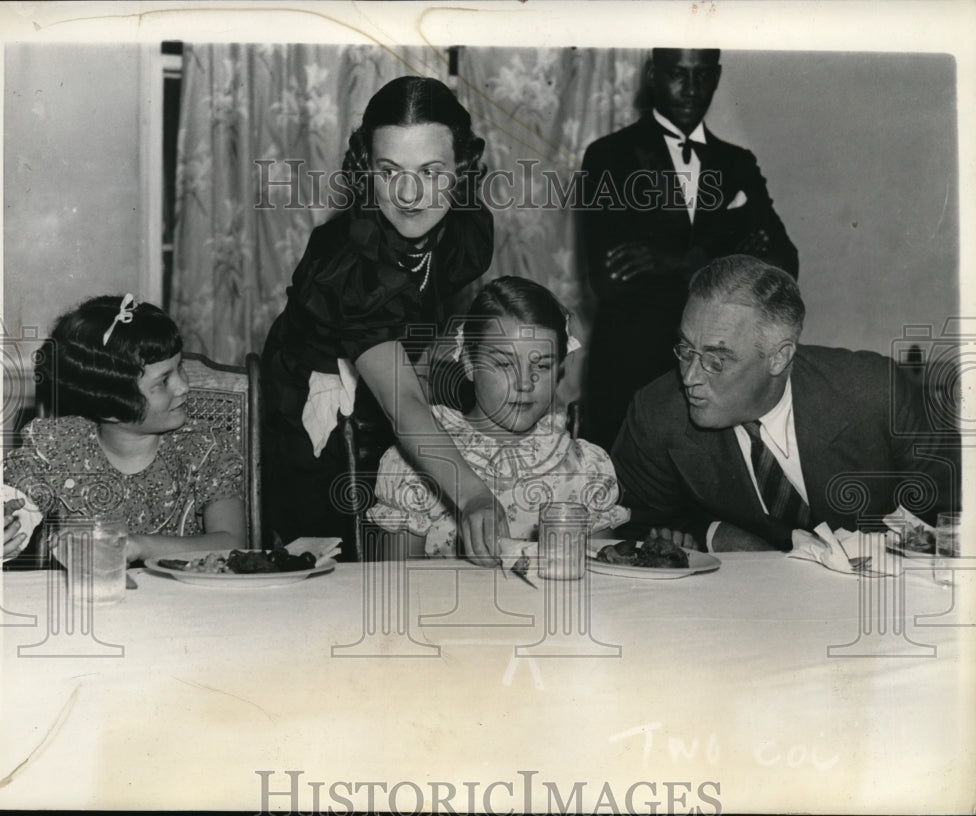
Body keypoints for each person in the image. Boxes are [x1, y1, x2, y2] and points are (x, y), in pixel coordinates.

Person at [260, 76, 506, 564]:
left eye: (432, 171)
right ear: (366, 170)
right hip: (316, 429)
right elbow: (403, 404)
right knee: (342, 575)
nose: (411, 195)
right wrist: (474, 495)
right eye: (389, 170)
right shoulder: (349, 264)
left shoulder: (463, 225)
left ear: (462, 169)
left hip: (387, 398)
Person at [610, 255, 959, 552]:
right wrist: (713, 534)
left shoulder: (875, 392)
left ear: (779, 357)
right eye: (686, 350)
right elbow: (629, 527)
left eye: (716, 360)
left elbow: (957, 512)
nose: (688, 377)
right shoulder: (657, 413)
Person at [581, 48, 799, 449]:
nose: (690, 89)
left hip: (719, 380)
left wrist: (676, 261)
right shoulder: (608, 157)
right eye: (677, 75)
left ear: (716, 78)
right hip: (631, 370)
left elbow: (784, 264)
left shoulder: (737, 163)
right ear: (652, 76)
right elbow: (610, 281)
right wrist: (733, 252)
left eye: (701, 76)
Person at [367, 276, 629, 557]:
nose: (525, 383)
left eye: (542, 365)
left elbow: (605, 580)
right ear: (469, 363)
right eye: (504, 364)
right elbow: (397, 584)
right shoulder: (417, 462)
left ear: (560, 370)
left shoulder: (583, 468)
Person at [2, 294, 245, 565]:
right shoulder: (54, 446)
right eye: (163, 381)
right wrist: (2, 531)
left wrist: (138, 546)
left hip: (184, 603)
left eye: (180, 368)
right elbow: (9, 506)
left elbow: (232, 542)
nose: (183, 386)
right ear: (110, 409)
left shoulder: (205, 447)